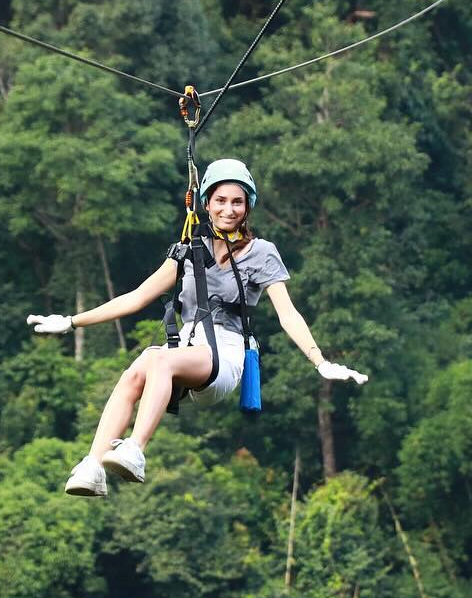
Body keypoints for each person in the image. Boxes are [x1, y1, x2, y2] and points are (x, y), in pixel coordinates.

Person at [26, 159, 368, 497]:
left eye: (237, 202)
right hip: (188, 350)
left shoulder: (261, 253)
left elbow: (288, 314)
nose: (229, 209)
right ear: (206, 204)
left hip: (226, 355)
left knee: (158, 360)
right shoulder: (190, 250)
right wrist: (72, 321)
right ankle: (94, 466)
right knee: (137, 369)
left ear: (248, 206)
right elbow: (137, 297)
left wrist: (319, 360)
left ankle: (135, 450)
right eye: (221, 201)